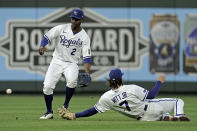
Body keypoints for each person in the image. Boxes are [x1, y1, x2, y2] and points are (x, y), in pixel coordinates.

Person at [57, 68, 190, 121]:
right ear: (121, 79)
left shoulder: (106, 97)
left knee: (163, 116)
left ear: (110, 81)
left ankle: (167, 118)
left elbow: (93, 110)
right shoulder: (131, 88)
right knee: (178, 101)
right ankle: (179, 116)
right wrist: (159, 82)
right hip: (150, 109)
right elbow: (151, 95)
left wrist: (75, 115)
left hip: (143, 119)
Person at [39, 8, 92, 119]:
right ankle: (49, 112)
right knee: (47, 87)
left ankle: (65, 106)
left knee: (72, 81)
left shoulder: (84, 37)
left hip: (71, 63)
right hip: (57, 61)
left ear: (81, 20)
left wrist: (87, 72)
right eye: (72, 18)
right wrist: (42, 46)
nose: (74, 21)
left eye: (76, 19)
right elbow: (47, 36)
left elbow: (86, 57)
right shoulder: (61, 28)